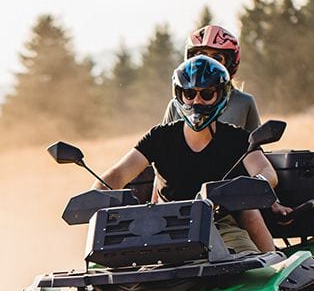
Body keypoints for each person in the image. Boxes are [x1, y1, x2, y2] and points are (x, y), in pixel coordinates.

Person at [93, 55, 278, 254]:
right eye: (189, 94)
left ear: (220, 95)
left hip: (221, 226)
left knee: (252, 270)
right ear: (179, 95)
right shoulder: (160, 137)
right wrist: (97, 192)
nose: (196, 101)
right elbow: (119, 173)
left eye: (206, 94)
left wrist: (249, 184)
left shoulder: (236, 138)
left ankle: (275, 265)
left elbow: (267, 171)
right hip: (163, 229)